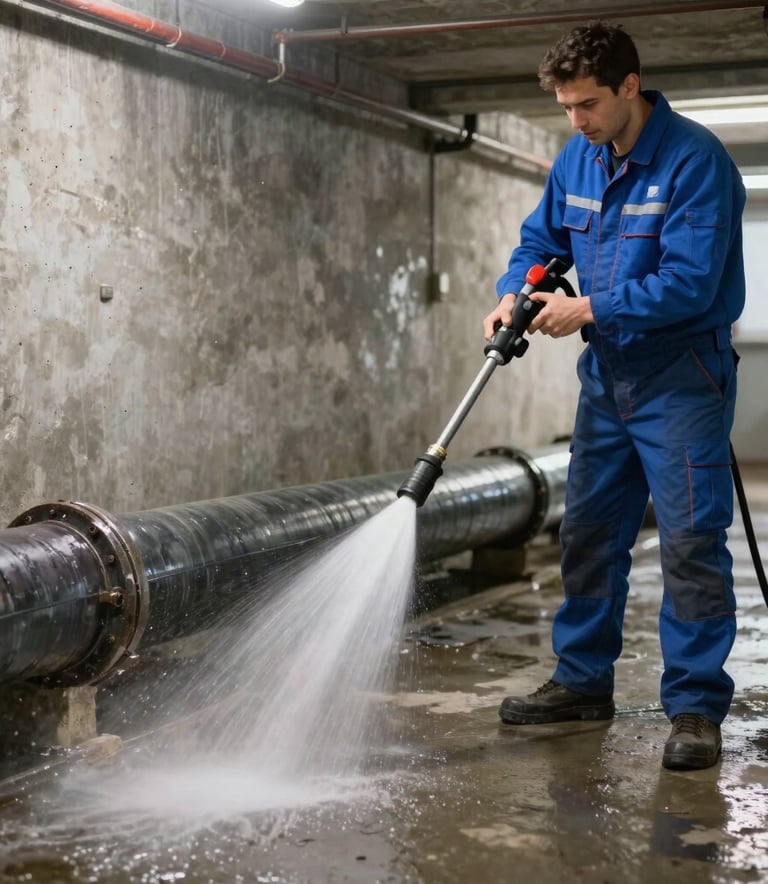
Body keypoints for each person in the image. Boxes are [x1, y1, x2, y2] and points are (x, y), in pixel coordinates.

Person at [484, 21, 746, 771]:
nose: (578, 121)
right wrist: (515, 294)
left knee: (691, 542)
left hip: (681, 378)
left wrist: (589, 309)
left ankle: (695, 706)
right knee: (590, 534)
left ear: (630, 87)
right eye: (567, 107)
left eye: (589, 104)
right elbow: (541, 243)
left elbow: (691, 282)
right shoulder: (578, 159)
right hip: (609, 381)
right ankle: (581, 680)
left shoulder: (695, 161)